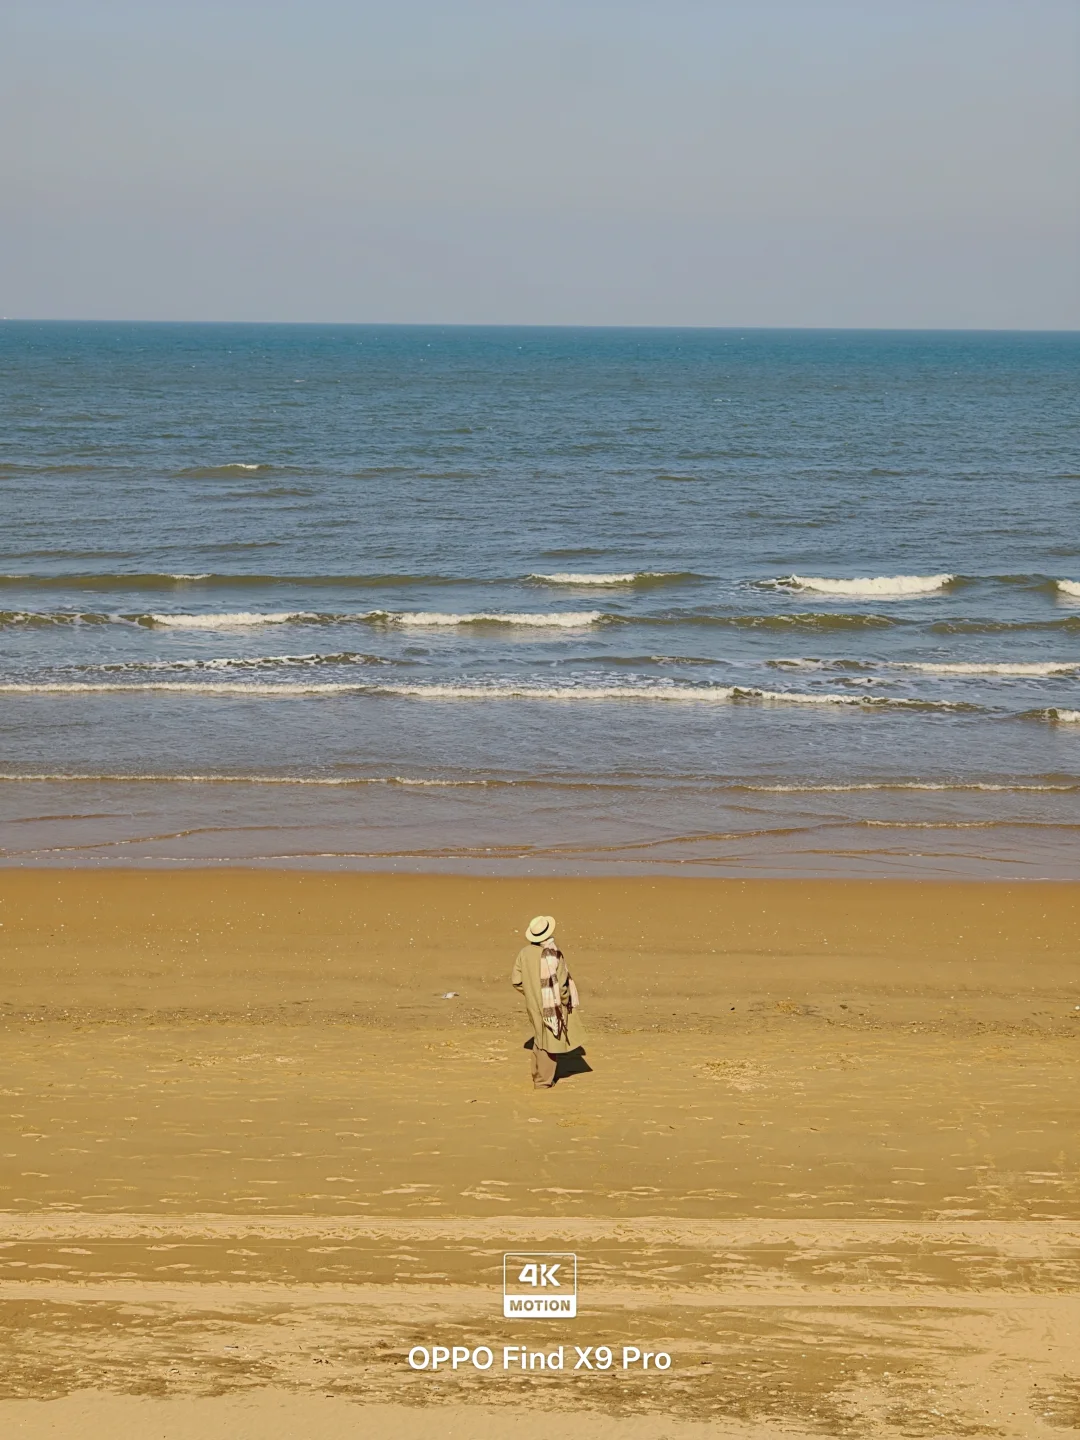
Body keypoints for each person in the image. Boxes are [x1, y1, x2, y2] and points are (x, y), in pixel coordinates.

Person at [511, 914, 583, 1089]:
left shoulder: (524, 953)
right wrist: (565, 1000)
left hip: (533, 1002)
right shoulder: (554, 954)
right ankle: (543, 1082)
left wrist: (530, 992)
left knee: (540, 1036)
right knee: (550, 1040)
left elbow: (516, 981)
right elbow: (562, 984)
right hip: (552, 1004)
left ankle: (538, 1075)